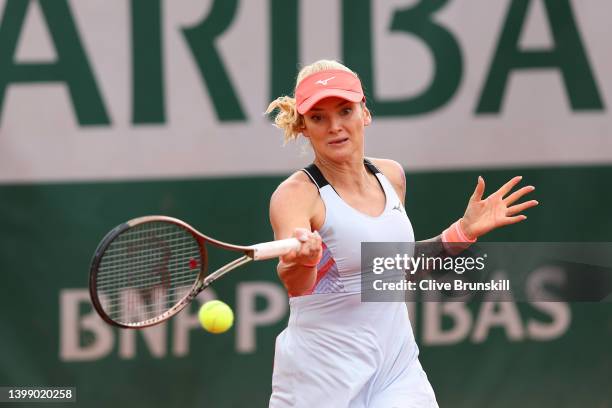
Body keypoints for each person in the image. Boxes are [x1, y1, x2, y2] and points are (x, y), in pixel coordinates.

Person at [265, 60, 538, 407]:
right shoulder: (296, 195)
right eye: (318, 117)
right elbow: (296, 284)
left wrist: (463, 231)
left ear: (365, 113)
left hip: (395, 369)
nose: (335, 127)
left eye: (345, 111)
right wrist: (304, 261)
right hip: (321, 377)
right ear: (304, 126)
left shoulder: (391, 176)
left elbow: (394, 268)